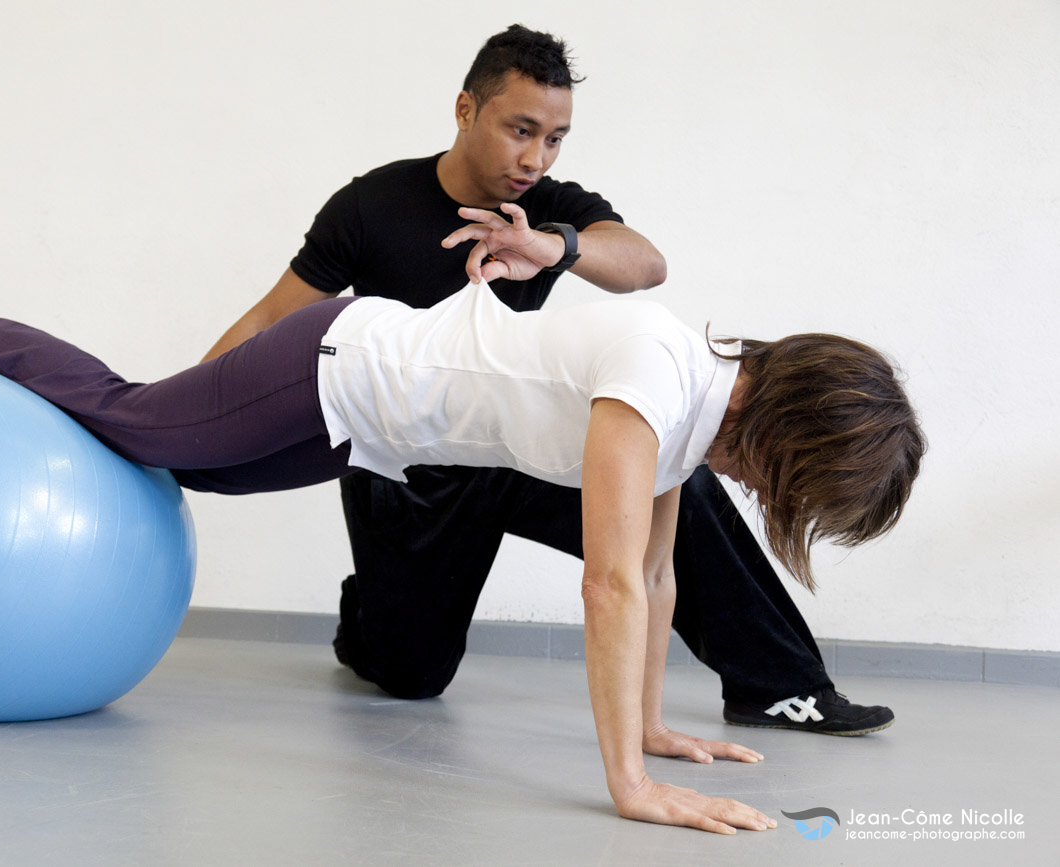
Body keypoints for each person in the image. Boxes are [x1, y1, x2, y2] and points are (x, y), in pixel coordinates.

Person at [0, 278, 924, 835]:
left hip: (368, 426)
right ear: (790, 434)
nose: (771, 500)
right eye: (794, 487)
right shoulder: (659, 376)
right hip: (336, 363)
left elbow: (654, 575)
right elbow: (606, 584)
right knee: (138, 422)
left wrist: (649, 725)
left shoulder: (692, 417)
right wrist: (629, 783)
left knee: (180, 467)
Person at [200, 23, 894, 734]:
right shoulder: (370, 204)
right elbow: (270, 320)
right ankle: (369, 614)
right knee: (408, 675)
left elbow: (645, 264)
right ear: (466, 109)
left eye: (555, 138)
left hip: (521, 446)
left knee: (682, 479)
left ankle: (782, 686)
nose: (536, 157)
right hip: (412, 460)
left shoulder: (548, 206)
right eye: (521, 130)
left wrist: (551, 244)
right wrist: (198, 408)